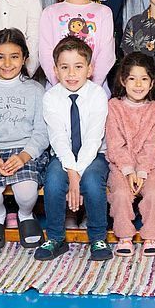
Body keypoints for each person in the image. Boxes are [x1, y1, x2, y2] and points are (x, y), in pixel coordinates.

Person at [0, 29, 49, 249]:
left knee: (26, 191)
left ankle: (25, 215)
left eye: (14, 56)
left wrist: (23, 157)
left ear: (24, 58)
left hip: (26, 151)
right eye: (0, 57)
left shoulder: (36, 90)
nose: (7, 63)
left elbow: (42, 132)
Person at [37, 37, 112, 261]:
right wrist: (72, 173)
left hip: (95, 154)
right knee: (53, 181)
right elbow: (58, 138)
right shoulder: (51, 97)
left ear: (89, 69)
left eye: (78, 67)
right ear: (55, 70)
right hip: (63, 155)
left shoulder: (97, 94)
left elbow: (93, 139)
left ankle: (98, 238)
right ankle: (55, 238)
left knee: (92, 182)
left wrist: (77, 175)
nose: (71, 74)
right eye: (64, 67)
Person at [105, 52, 155, 257]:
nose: (138, 85)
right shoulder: (114, 106)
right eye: (132, 78)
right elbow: (115, 144)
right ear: (123, 81)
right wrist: (129, 171)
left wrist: (141, 172)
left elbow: (151, 145)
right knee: (121, 194)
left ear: (152, 83)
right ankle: (124, 236)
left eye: (144, 79)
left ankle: (151, 236)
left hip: (149, 166)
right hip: (120, 166)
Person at [39, 0, 115, 88]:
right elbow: (45, 55)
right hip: (58, 89)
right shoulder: (50, 13)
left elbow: (106, 55)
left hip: (95, 89)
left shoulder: (104, 12)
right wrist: (61, 86)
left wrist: (90, 88)